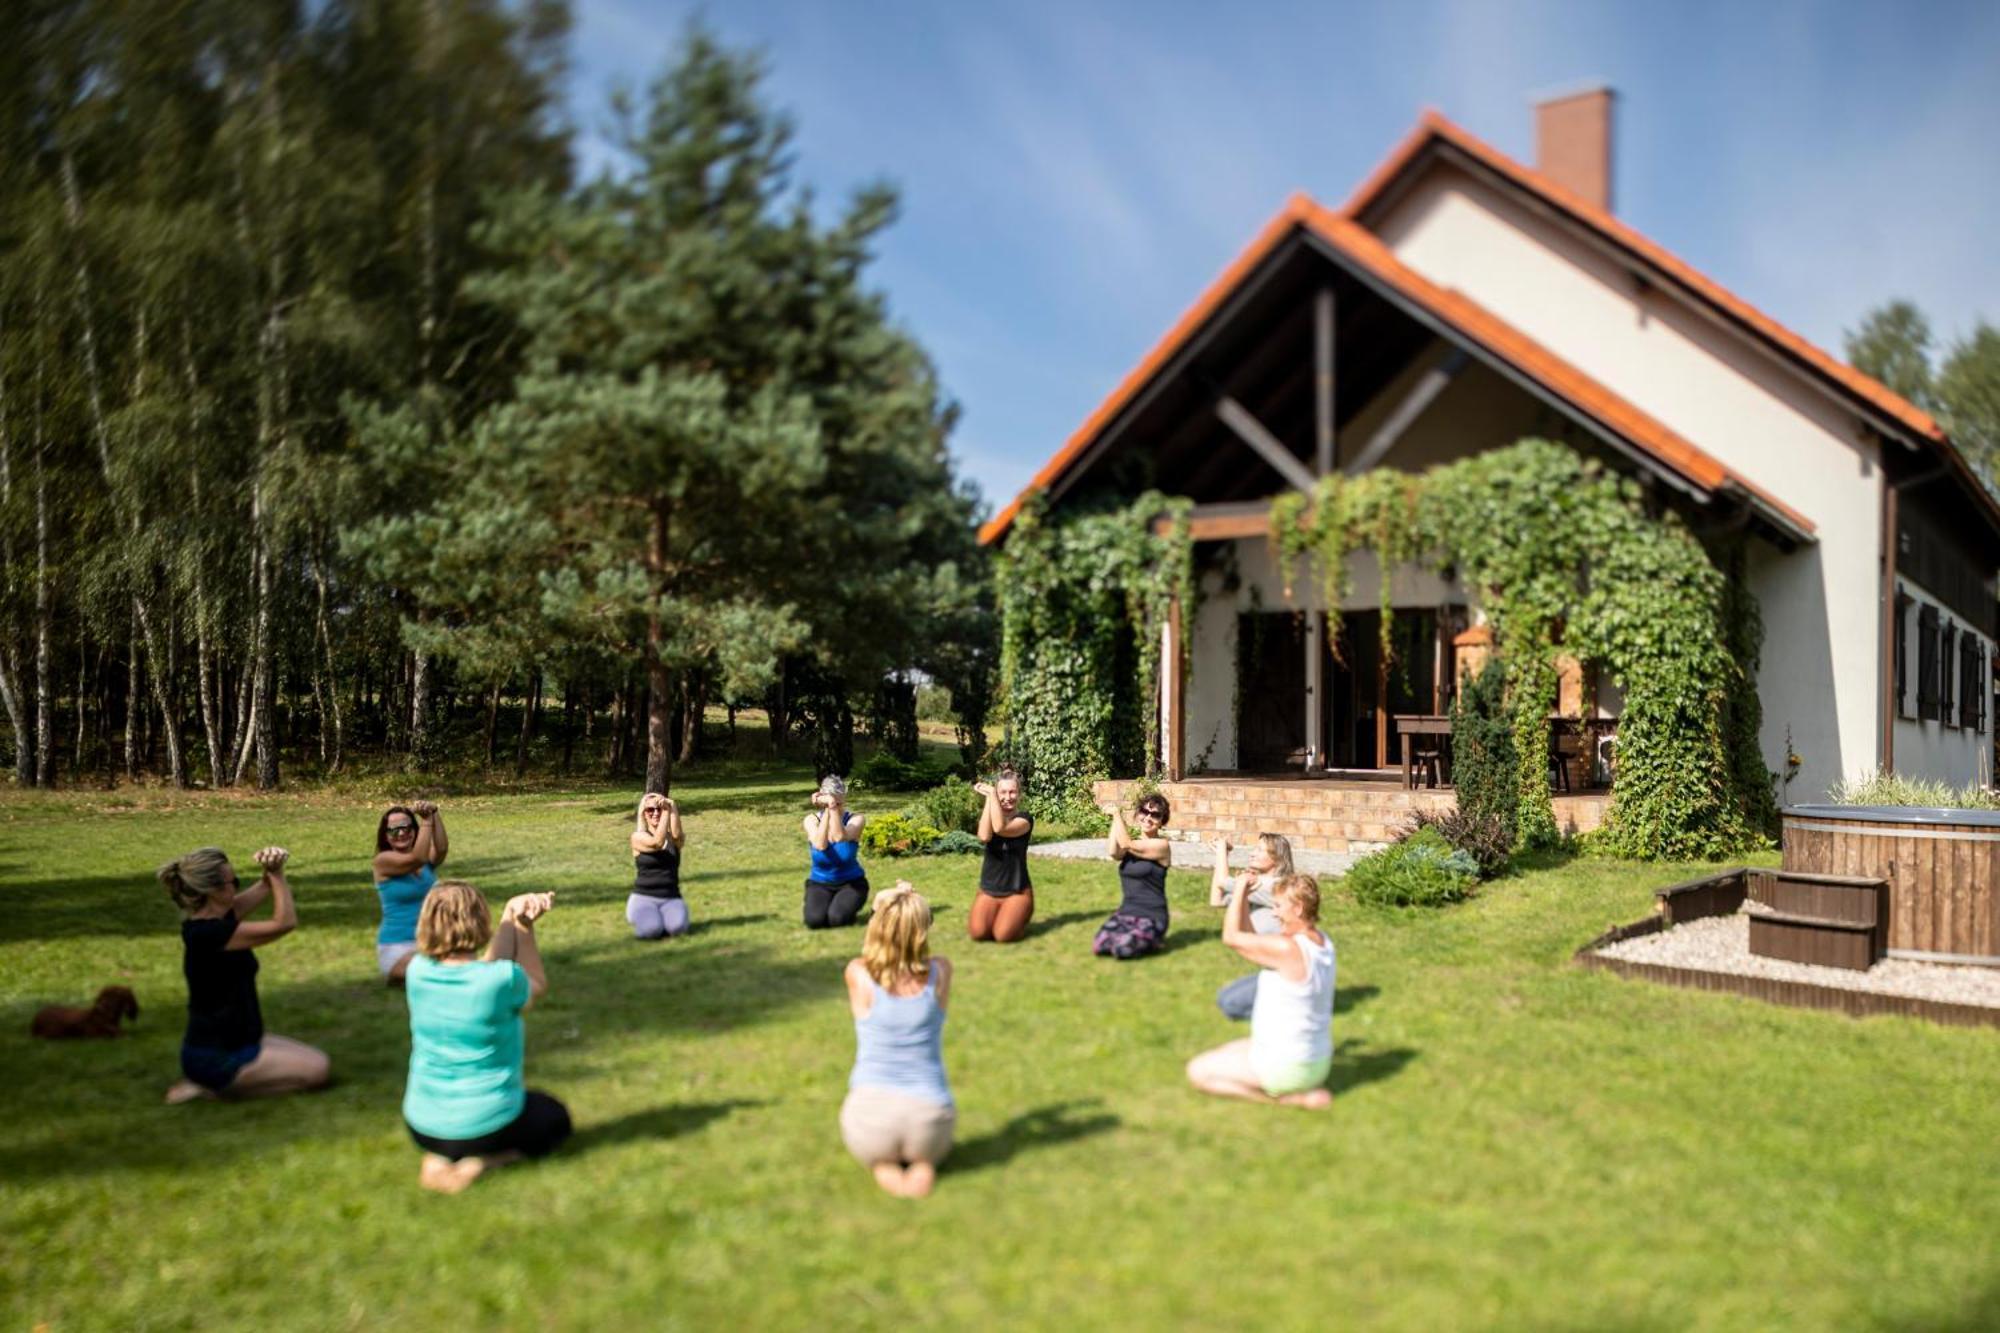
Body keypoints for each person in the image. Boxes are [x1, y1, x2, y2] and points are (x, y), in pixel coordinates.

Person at [402, 881, 572, 1194]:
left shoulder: (416, 971)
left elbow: (483, 970)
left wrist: (511, 911)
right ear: (479, 921)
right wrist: (523, 926)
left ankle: (440, 1158)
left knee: (453, 1131)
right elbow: (534, 983)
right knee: (553, 1117)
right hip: (489, 1125)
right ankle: (481, 1162)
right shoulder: (501, 980)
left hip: (422, 1125)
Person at [160, 845, 331, 1104]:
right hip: (216, 1053)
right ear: (212, 891)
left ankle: (211, 1084)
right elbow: (284, 923)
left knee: (316, 1059)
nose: (236, 888)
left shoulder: (216, 920)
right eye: (234, 882)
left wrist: (270, 867)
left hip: (242, 1038)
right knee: (318, 1071)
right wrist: (277, 875)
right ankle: (211, 1088)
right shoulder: (208, 934)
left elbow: (263, 886)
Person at [841, 881, 955, 1198]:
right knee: (923, 1158)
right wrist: (909, 903)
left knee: (880, 1160)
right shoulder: (941, 972)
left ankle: (885, 1167)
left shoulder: (858, 974)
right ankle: (922, 1165)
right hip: (930, 1120)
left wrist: (887, 902)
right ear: (924, 930)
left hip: (871, 1118)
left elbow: (872, 942)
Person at [1186, 873, 1335, 1110]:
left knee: (1198, 1070)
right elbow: (1251, 939)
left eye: (1278, 906)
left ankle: (1284, 1099)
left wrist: (1238, 890)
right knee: (1229, 1049)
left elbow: (1232, 938)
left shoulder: (1288, 948)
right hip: (1317, 1060)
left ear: (1297, 908)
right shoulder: (1321, 942)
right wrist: (1244, 895)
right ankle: (1300, 1087)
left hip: (1289, 1069)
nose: (1274, 913)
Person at [1209, 832, 1296, 1020]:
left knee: (1231, 1004)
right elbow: (1217, 899)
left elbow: (1223, 882)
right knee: (1223, 997)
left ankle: (1289, 1013)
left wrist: (1222, 851)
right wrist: (1221, 855)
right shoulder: (1256, 885)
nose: (1252, 853)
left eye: (1259, 850)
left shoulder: (1276, 886)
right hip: (1273, 968)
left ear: (1277, 858)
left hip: (1290, 971)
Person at [372, 800, 449, 984]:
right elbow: (418, 858)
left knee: (457, 968)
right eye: (393, 830)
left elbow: (442, 849)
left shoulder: (424, 864)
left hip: (428, 943)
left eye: (406, 827)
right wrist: (426, 821)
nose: (401, 833)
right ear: (385, 836)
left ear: (415, 830)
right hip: (397, 947)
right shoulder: (383, 861)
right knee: (440, 974)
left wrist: (434, 812)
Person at [1092, 792, 1174, 959]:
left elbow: (1125, 843)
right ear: (1138, 815)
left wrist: (1116, 814)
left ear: (1161, 822)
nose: (1148, 818)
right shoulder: (1132, 846)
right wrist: (1116, 819)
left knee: (1124, 949)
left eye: (1156, 815)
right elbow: (1114, 851)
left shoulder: (1161, 846)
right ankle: (1145, 940)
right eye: (1144, 812)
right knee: (1100, 945)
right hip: (1126, 913)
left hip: (1152, 916)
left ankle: (1153, 939)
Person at [968, 768, 1034, 942]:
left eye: (1012, 792)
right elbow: (984, 836)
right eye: (1002, 792)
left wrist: (991, 792)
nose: (1007, 797)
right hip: (989, 889)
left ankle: (1019, 916)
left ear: (1019, 794)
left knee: (1003, 935)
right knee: (978, 933)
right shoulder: (992, 811)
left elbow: (1001, 829)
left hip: (1016, 890)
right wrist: (990, 798)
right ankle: (999, 914)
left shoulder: (1025, 819)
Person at [803, 775, 870, 929]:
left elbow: (839, 837)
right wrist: (828, 810)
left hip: (851, 884)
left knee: (837, 919)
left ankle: (844, 906)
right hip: (820, 883)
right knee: (815, 921)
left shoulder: (856, 819)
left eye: (840, 803)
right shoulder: (811, 820)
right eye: (833, 803)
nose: (837, 808)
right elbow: (820, 845)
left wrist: (831, 806)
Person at [628, 791, 688, 939]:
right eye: (650, 810)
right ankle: (650, 922)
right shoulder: (637, 837)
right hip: (643, 898)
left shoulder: (675, 841)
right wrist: (666, 811)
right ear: (643, 814)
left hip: (671, 897)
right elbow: (657, 843)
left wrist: (672, 805)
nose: (655, 813)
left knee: (678, 928)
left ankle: (664, 920)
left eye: (659, 808)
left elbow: (677, 835)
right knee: (652, 931)